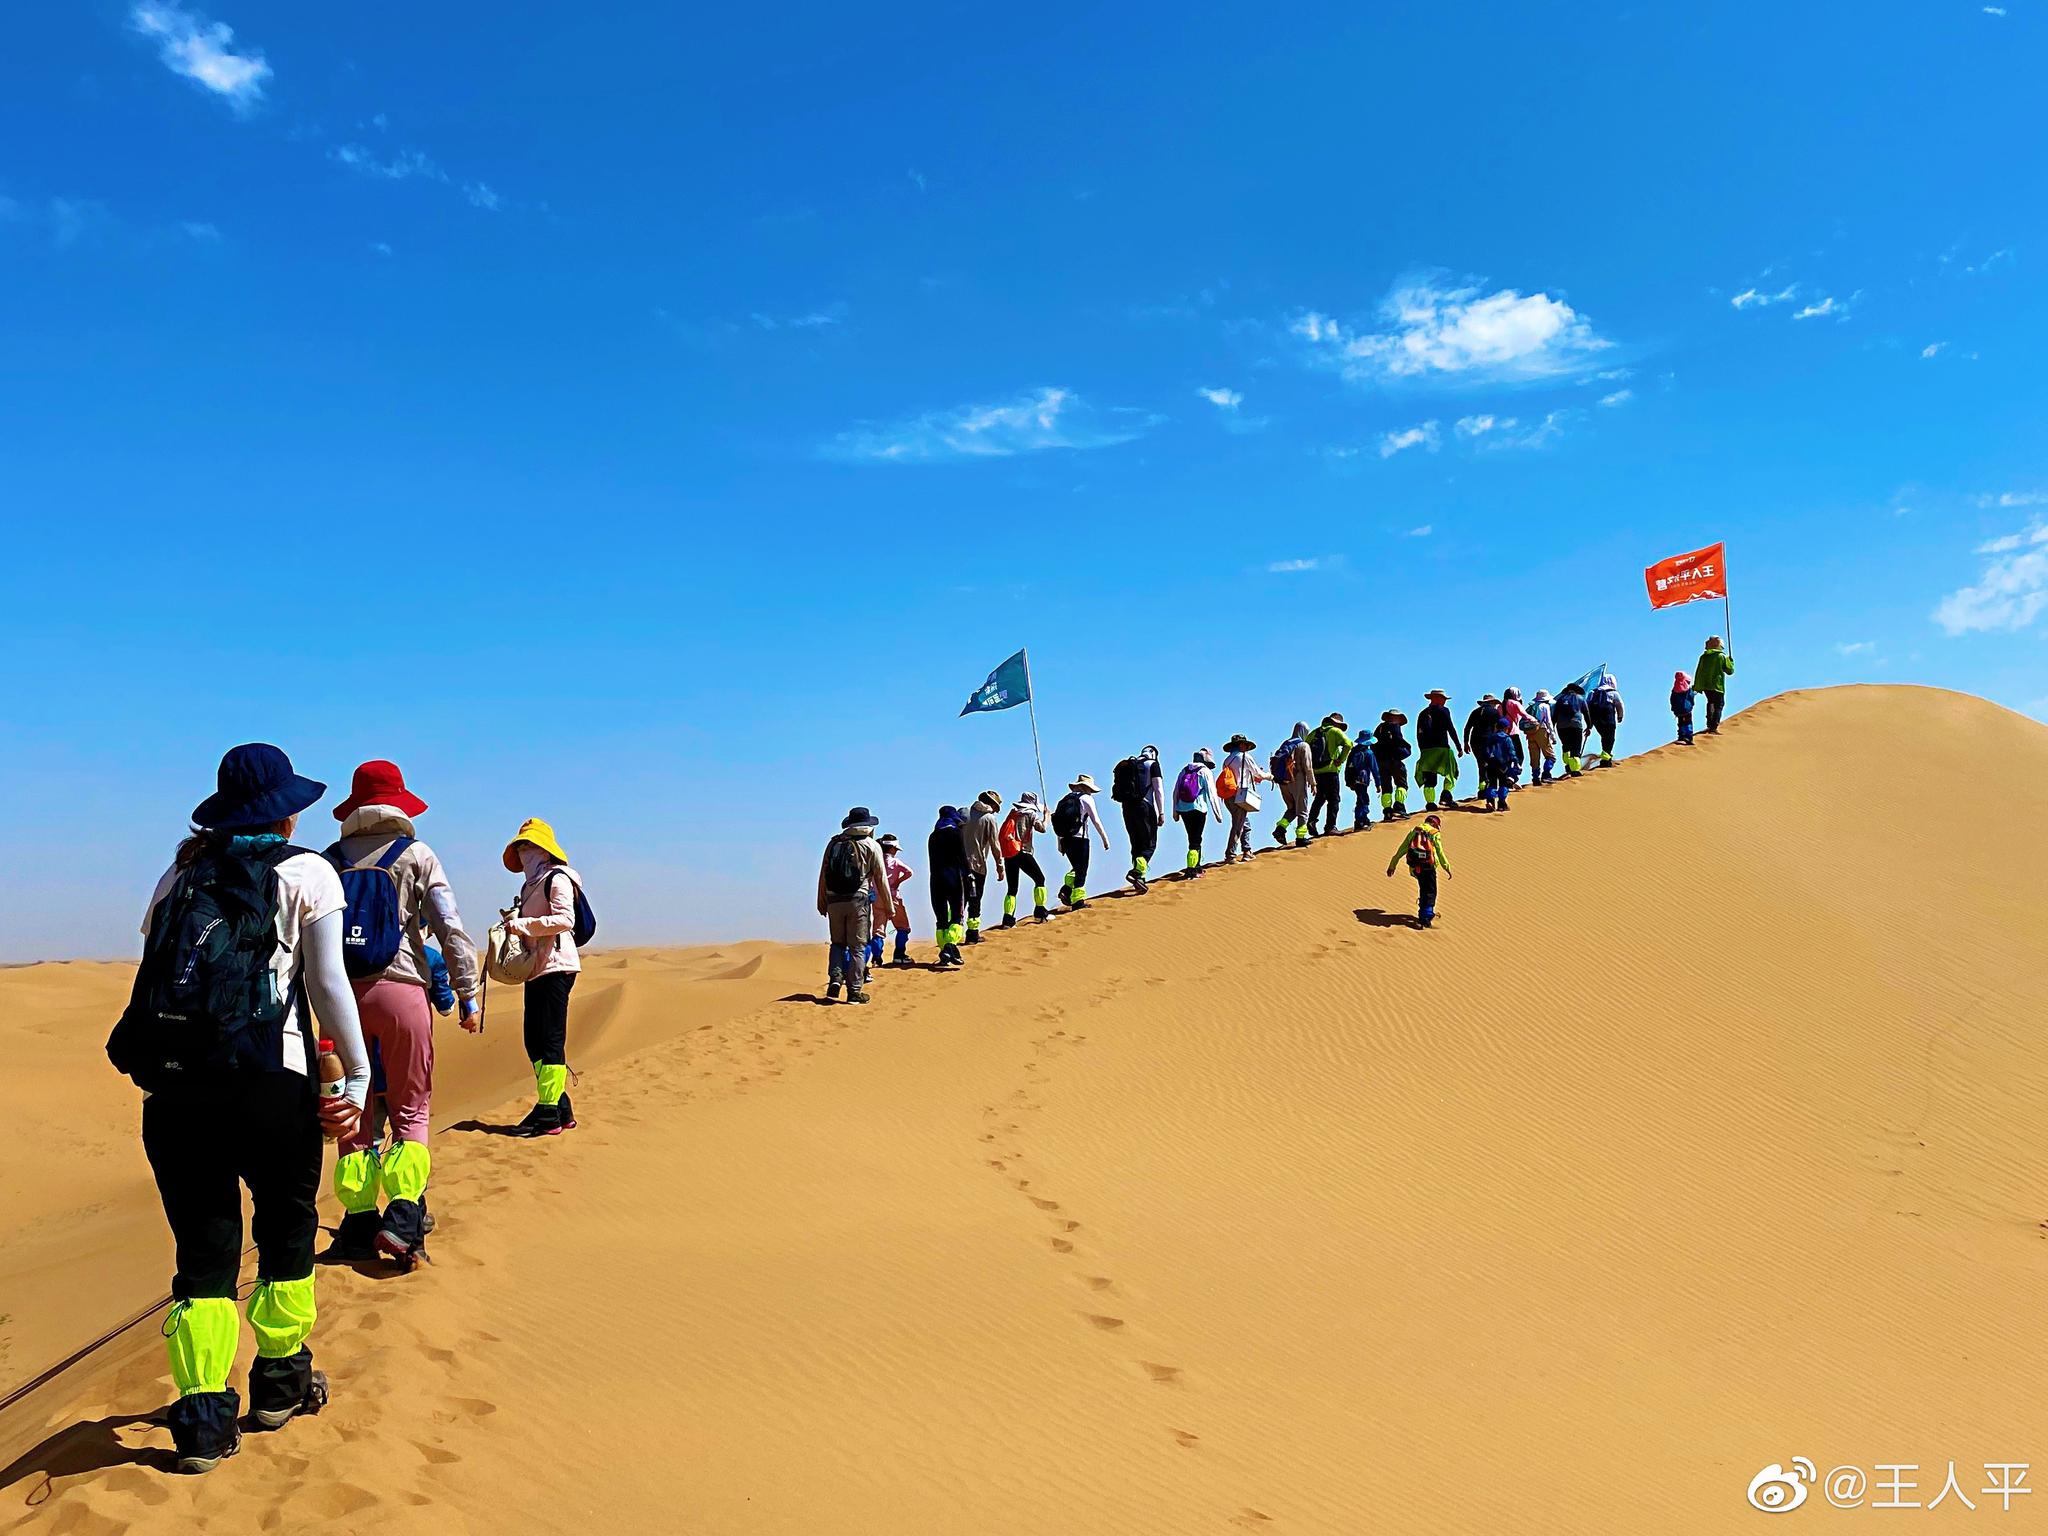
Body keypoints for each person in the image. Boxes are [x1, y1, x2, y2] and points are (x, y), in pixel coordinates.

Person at [109, 743, 370, 1474]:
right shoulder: (308, 871)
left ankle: (201, 1420)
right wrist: (354, 1073)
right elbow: (327, 984)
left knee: (202, 1254)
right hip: (269, 1082)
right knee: (286, 1234)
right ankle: (280, 1385)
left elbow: (158, 979)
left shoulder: (180, 872)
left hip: (175, 1091)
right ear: (287, 813)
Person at [323, 760, 482, 1270]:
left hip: (338, 998)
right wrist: (467, 993)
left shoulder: (327, 860)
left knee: (355, 1114)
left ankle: (358, 1223)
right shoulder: (417, 855)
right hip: (402, 991)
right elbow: (450, 928)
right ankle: (406, 1219)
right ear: (399, 803)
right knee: (411, 1108)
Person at [503, 818, 589, 1135]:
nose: (523, 852)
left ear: (543, 849)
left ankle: (548, 1113)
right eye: (520, 846)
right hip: (536, 968)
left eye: (528, 846)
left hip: (557, 966)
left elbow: (565, 919)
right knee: (533, 1041)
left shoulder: (558, 879)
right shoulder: (529, 885)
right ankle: (558, 1107)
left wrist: (523, 925)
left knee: (550, 1042)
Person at [817, 806, 890, 1003]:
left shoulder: (834, 843)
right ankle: (854, 991)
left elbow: (823, 874)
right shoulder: (872, 845)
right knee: (858, 946)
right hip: (858, 900)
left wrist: (821, 900)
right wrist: (889, 906)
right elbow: (881, 879)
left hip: (834, 900)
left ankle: (835, 978)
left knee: (837, 943)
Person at [1385, 811, 1453, 929]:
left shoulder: (1414, 831)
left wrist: (1393, 865)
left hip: (1415, 867)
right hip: (1429, 866)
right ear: (1434, 823)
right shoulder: (1434, 833)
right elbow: (1440, 852)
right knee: (1431, 891)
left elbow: (1402, 849)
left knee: (1423, 889)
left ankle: (1423, 914)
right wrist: (1446, 867)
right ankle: (1426, 916)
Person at [1111, 746, 1165, 893]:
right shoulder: (1152, 764)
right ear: (1154, 754)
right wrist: (1161, 812)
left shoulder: (1130, 766)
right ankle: (1136, 872)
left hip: (1127, 806)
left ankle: (1140, 879)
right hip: (1144, 806)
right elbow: (1158, 789)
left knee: (1135, 843)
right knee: (1149, 844)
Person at [1053, 773, 1111, 908]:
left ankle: (1066, 891)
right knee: (1082, 870)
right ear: (1087, 788)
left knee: (1076, 867)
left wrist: (1060, 843)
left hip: (1065, 840)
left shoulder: (1063, 800)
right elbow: (1095, 820)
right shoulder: (1086, 799)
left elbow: (1057, 822)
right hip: (1080, 839)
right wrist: (1105, 839)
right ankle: (1078, 902)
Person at [998, 792, 1054, 925]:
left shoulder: (1013, 813)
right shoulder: (1031, 814)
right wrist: (1047, 817)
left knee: (1012, 888)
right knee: (1040, 879)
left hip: (1010, 853)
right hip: (1023, 852)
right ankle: (1040, 913)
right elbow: (1042, 828)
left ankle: (1008, 919)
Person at [926, 805, 971, 967]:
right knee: (957, 916)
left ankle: (946, 951)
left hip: (935, 880)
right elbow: (962, 857)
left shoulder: (932, 836)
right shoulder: (955, 833)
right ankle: (950, 946)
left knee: (941, 919)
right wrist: (969, 875)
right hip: (954, 879)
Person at [1171, 749, 1228, 877]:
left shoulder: (1184, 771)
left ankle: (1196, 866)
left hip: (1183, 809)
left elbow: (1175, 792)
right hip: (1198, 809)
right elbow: (1212, 794)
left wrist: (1175, 811)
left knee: (1191, 837)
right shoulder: (1205, 772)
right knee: (1196, 839)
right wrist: (1218, 814)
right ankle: (1192, 869)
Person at [962, 790, 1006, 944]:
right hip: (977, 865)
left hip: (959, 865)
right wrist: (1000, 867)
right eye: (996, 807)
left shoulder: (965, 814)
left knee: (959, 900)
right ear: (992, 804)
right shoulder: (989, 819)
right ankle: (972, 934)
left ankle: (950, 936)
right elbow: (995, 845)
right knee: (975, 900)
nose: (995, 810)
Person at [1218, 734, 1268, 864]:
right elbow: (1258, 773)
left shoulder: (1227, 760)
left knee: (1244, 824)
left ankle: (1247, 851)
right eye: (1245, 745)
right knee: (1238, 825)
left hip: (1228, 796)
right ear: (1241, 745)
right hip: (1240, 795)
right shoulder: (1244, 757)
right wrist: (1270, 776)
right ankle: (1230, 855)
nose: (1246, 748)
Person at [1307, 713, 1352, 837]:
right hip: (1330, 770)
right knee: (1334, 799)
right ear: (1336, 723)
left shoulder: (1313, 733)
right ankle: (1330, 827)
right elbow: (1348, 744)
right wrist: (1340, 760)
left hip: (1316, 771)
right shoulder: (1335, 731)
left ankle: (1312, 820)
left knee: (1320, 797)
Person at [1415, 689, 1461, 809]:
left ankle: (1430, 803)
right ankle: (1446, 796)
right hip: (1442, 748)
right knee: (1452, 772)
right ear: (1436, 698)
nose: (1445, 701)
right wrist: (1458, 746)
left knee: (1429, 778)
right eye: (1443, 698)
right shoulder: (1443, 711)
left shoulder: (1422, 713)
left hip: (1426, 750)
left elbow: (1419, 734)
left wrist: (1422, 750)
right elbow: (1450, 728)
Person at [1271, 724, 1316, 846]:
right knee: (1302, 809)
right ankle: (1301, 838)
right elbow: (1308, 766)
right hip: (1298, 780)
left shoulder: (1285, 744)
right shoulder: (1303, 745)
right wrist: (1313, 783)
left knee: (1292, 808)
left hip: (1283, 782)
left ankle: (1280, 828)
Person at [878, 833, 915, 965]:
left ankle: (876, 958)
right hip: (893, 897)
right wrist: (898, 881)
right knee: (903, 927)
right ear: (893, 848)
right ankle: (899, 955)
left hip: (877, 898)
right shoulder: (895, 861)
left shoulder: (877, 860)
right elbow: (909, 872)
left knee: (878, 930)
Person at [1372, 710, 1412, 819]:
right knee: (1401, 784)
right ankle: (1399, 808)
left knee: (1386, 787)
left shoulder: (1379, 728)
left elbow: (1373, 743)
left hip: (1381, 762)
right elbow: (1398, 740)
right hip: (1394, 760)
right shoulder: (1395, 727)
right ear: (1395, 717)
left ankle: (1387, 811)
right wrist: (1407, 749)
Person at [1479, 712, 1520, 812]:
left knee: (1492, 783)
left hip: (1491, 764)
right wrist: (1516, 762)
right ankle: (1502, 804)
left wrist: (1485, 761)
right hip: (1503, 765)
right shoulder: (1507, 739)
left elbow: (1485, 750)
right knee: (1503, 784)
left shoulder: (1490, 737)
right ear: (1506, 728)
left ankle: (1490, 801)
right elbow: (1512, 752)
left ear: (1496, 727)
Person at [1695, 636, 1735, 733]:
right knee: (1719, 705)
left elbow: (1699, 671)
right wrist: (1731, 662)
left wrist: (1697, 685)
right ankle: (1713, 726)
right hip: (1717, 685)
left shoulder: (1704, 657)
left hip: (1706, 685)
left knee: (1710, 702)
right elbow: (1730, 671)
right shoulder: (1721, 657)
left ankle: (1709, 724)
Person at [1551, 682, 1590, 776]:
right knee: (1575, 747)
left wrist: (1551, 728)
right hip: (1575, 725)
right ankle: (1575, 770)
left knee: (1566, 746)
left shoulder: (1560, 700)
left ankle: (1568, 765)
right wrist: (1589, 726)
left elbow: (1555, 715)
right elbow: (1586, 713)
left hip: (1561, 727)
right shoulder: (1580, 699)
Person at [1344, 730, 1380, 829]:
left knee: (1360, 799)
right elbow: (1375, 769)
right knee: (1364, 800)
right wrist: (1378, 784)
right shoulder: (1369, 753)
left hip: (1353, 779)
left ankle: (1362, 820)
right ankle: (1361, 821)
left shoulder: (1353, 752)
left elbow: (1347, 767)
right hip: (1363, 780)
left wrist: (1348, 781)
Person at [1588, 673, 1625, 766]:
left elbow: (1588, 707)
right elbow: (1620, 705)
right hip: (1609, 718)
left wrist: (1590, 724)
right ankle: (1606, 760)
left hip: (1596, 720)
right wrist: (1620, 716)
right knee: (1609, 738)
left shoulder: (1593, 693)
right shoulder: (1613, 693)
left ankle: (1606, 757)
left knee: (1604, 737)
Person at [1526, 690, 1561, 784]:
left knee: (1534, 757)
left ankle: (1535, 778)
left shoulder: (1531, 706)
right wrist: (1553, 736)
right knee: (1550, 756)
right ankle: (1546, 774)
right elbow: (1548, 721)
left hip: (1530, 733)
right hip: (1542, 730)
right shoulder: (1545, 706)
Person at [1671, 671, 1697, 745]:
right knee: (1688, 722)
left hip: (1679, 710)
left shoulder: (1675, 689)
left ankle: (1682, 737)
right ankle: (1689, 737)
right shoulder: (1688, 689)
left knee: (1681, 723)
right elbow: (1691, 697)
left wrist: (1673, 708)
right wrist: (1692, 704)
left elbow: (1672, 700)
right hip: (1687, 709)